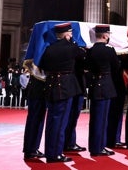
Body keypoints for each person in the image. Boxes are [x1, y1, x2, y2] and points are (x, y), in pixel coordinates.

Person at [38, 22, 86, 163]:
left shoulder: (49, 49)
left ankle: (50, 151)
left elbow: (42, 66)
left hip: (51, 85)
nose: (71, 35)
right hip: (65, 87)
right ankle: (55, 154)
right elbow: (83, 57)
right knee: (60, 121)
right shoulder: (72, 47)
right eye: (70, 33)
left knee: (52, 120)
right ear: (66, 34)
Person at [86, 25, 119, 156]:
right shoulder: (109, 50)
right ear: (105, 35)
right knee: (103, 118)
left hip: (95, 85)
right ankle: (99, 148)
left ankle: (94, 146)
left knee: (95, 118)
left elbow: (87, 67)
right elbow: (116, 67)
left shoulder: (91, 50)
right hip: (106, 85)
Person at [22, 59, 46, 161]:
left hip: (38, 88)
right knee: (35, 119)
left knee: (37, 119)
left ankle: (32, 148)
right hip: (37, 88)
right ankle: (31, 149)